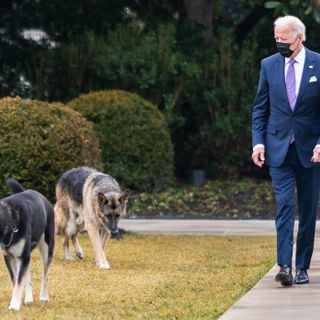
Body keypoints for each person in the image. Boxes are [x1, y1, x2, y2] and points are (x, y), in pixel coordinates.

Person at [252, 15, 320, 286]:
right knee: (285, 206)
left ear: (299, 38)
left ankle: (302, 266)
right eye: (276, 38)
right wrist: (258, 142)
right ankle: (284, 266)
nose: (279, 42)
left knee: (307, 209)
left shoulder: (318, 63)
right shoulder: (268, 65)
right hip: (277, 147)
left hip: (310, 151)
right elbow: (260, 108)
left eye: (284, 38)